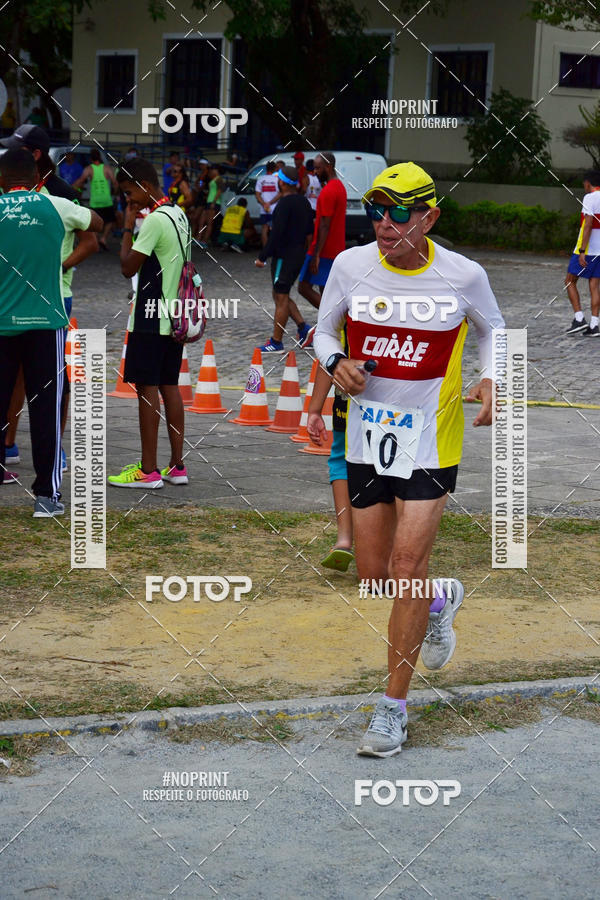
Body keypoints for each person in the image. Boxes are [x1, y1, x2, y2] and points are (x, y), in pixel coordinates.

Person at [313, 162, 505, 757]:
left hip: (431, 438)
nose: (385, 224)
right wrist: (335, 361)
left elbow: (495, 328)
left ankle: (392, 710)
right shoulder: (350, 265)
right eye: (377, 211)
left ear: (429, 216)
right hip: (367, 438)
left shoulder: (461, 274)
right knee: (377, 580)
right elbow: (320, 333)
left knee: (404, 562)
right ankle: (439, 596)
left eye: (400, 213)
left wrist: (492, 378)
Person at [0, 149, 102, 514]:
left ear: (2, 179)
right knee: (46, 410)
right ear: (36, 177)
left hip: (2, 323)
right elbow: (97, 223)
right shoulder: (56, 205)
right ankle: (46, 496)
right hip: (46, 323)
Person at [108, 156, 189, 489]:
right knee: (170, 387)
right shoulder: (179, 214)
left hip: (149, 316)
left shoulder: (154, 220)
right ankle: (176, 465)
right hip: (174, 315)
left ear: (143, 185)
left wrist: (128, 225)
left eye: (129, 193)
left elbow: (128, 266)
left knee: (147, 390)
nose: (128, 200)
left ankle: (148, 470)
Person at [254, 166, 314, 351]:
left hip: (284, 257)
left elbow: (276, 234)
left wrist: (262, 257)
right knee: (281, 294)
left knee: (280, 297)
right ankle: (304, 328)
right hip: (297, 254)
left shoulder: (283, 205)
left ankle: (276, 341)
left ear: (282, 183)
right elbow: (310, 233)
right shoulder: (305, 203)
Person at [307, 339, 353, 572]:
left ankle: (345, 539)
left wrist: (315, 409)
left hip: (348, 403)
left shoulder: (345, 305)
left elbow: (330, 356)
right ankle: (391, 538)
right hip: (395, 409)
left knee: (340, 461)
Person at [298, 151, 347, 332]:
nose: (315, 172)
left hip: (324, 250)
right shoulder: (339, 187)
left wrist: (316, 255)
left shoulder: (328, 191)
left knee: (303, 287)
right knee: (326, 292)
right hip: (334, 249)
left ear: (329, 167)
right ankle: (333, 324)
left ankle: (336, 320)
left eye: (318, 168)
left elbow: (325, 226)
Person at [565, 170, 600, 336]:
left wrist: (582, 251)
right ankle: (594, 325)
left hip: (588, 249)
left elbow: (588, 225)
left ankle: (579, 318)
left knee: (569, 281)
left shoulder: (589, 198)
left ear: (588, 183)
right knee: (594, 285)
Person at [73, 148, 118, 250]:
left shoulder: (89, 169)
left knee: (94, 222)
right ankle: (103, 239)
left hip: (95, 201)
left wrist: (72, 188)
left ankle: (96, 239)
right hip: (106, 200)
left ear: (91, 158)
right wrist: (115, 193)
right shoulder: (106, 168)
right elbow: (115, 183)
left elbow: (80, 181)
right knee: (110, 220)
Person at [255, 161, 280, 247]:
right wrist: (270, 203)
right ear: (274, 169)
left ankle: (265, 250)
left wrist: (264, 204)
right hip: (274, 209)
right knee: (275, 230)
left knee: (264, 230)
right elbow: (280, 194)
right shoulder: (277, 180)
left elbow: (257, 194)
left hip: (264, 209)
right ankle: (274, 249)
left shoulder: (260, 179)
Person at [198, 164, 223, 248]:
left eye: (213, 169)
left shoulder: (219, 179)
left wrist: (214, 202)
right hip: (209, 202)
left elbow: (219, 191)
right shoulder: (213, 179)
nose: (212, 171)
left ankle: (204, 241)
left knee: (209, 223)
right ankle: (199, 239)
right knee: (202, 221)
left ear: (217, 170)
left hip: (214, 203)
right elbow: (201, 185)